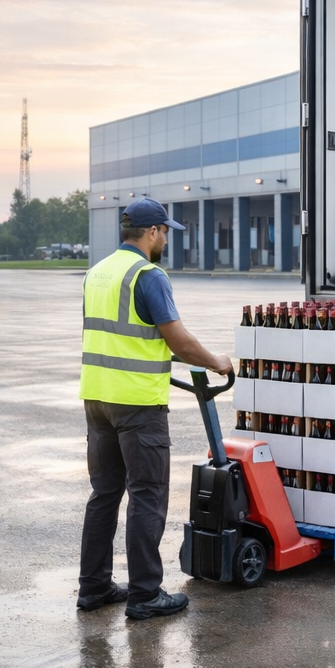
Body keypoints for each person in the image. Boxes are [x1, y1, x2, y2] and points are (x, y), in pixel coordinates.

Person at [78, 197, 232, 619]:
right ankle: (145, 594)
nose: (166, 238)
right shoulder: (149, 275)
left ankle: (92, 587)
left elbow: (118, 334)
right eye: (164, 231)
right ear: (151, 233)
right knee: (147, 496)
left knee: (104, 495)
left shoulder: (97, 272)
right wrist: (216, 361)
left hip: (98, 399)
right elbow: (177, 340)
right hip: (138, 405)